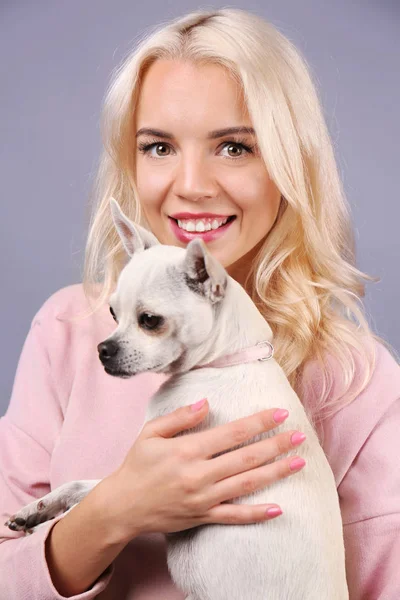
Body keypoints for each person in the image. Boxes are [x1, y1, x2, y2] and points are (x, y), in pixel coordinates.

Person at [0, 7, 399, 600]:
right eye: (158, 146)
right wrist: (113, 512)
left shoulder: (356, 382)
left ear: (292, 165)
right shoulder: (69, 329)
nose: (191, 184)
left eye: (234, 148)